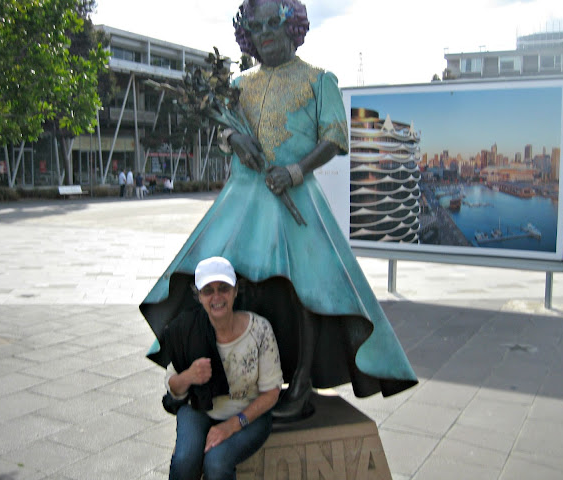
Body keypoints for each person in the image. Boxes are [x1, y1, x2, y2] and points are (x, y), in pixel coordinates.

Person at [141, 0, 417, 421]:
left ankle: (301, 380)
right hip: (243, 198)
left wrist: (295, 170)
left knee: (306, 290)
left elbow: (335, 137)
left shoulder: (319, 79)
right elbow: (224, 129)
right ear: (246, 33)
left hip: (296, 197)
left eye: (274, 22)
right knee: (230, 281)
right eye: (256, 26)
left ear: (294, 26)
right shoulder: (238, 83)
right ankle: (237, 376)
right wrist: (234, 138)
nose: (266, 32)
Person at [162, 256, 283, 480]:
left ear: (235, 291)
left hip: (248, 414)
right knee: (185, 461)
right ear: (199, 296)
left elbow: (271, 392)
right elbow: (174, 387)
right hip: (199, 408)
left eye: (224, 288)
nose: (216, 297)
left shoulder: (260, 330)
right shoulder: (186, 330)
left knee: (216, 463)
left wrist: (232, 425)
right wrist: (189, 376)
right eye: (208, 290)